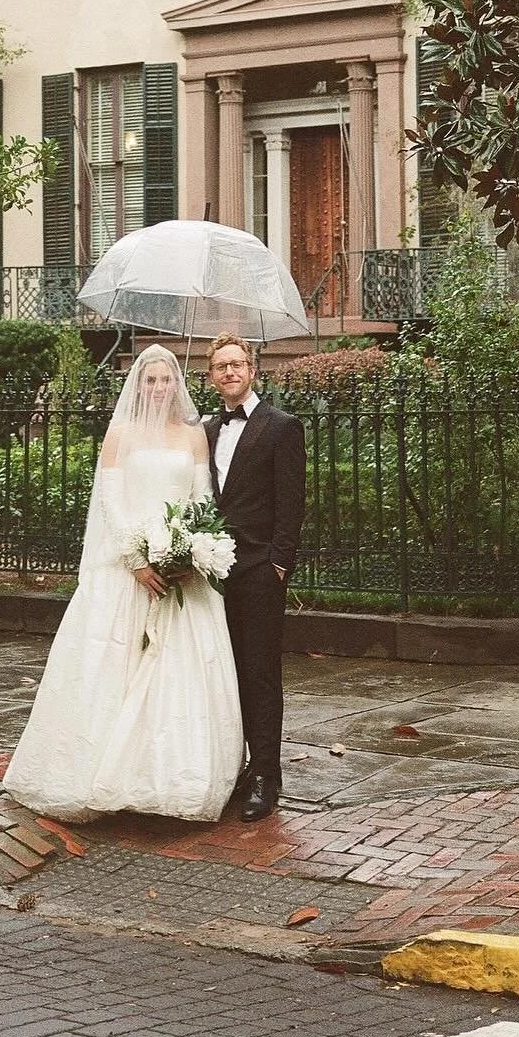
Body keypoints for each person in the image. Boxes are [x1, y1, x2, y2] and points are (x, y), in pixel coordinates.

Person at [3, 343, 244, 822]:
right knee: (113, 666)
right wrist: (136, 560)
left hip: (181, 574)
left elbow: (202, 500)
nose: (159, 387)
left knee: (180, 674)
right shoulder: (120, 434)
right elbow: (110, 503)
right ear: (138, 385)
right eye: (150, 380)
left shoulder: (193, 435)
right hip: (126, 571)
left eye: (167, 379)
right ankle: (98, 774)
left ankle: (172, 780)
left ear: (178, 384)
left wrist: (187, 550)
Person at [205, 333, 306, 822]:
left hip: (260, 569)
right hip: (212, 573)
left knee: (261, 672)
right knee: (226, 673)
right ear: (211, 376)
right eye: (221, 366)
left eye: (237, 364)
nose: (230, 372)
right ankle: (240, 766)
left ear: (252, 371)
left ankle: (267, 773)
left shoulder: (281, 426)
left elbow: (292, 501)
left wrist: (278, 564)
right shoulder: (205, 430)